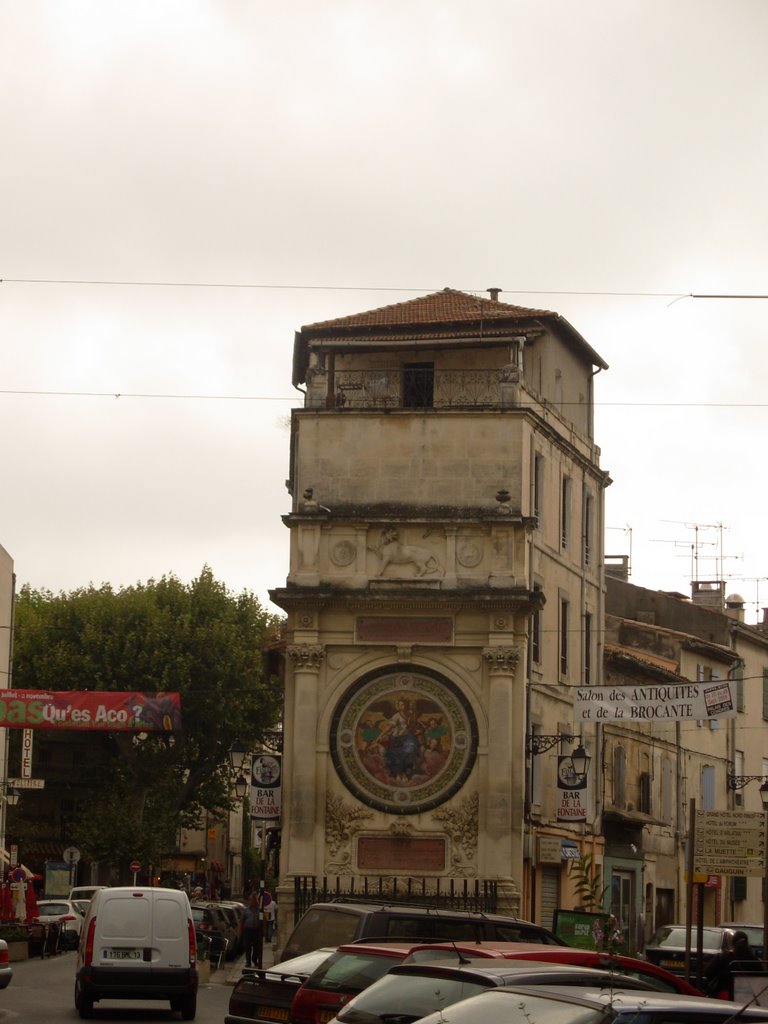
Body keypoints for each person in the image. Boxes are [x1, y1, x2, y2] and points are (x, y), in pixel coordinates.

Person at [704, 930, 759, 1000]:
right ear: (747, 943)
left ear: (733, 944)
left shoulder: (722, 957)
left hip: (725, 995)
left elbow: (708, 973)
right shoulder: (753, 961)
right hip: (749, 996)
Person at [241, 889, 265, 969]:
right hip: (248, 931)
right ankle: (248, 962)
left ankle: (254, 959)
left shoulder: (260, 911)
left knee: (256, 947)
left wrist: (263, 930)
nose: (252, 902)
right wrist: (242, 930)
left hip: (256, 931)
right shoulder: (246, 910)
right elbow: (242, 920)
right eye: (250, 900)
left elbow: (263, 921)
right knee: (247, 947)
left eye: (253, 900)